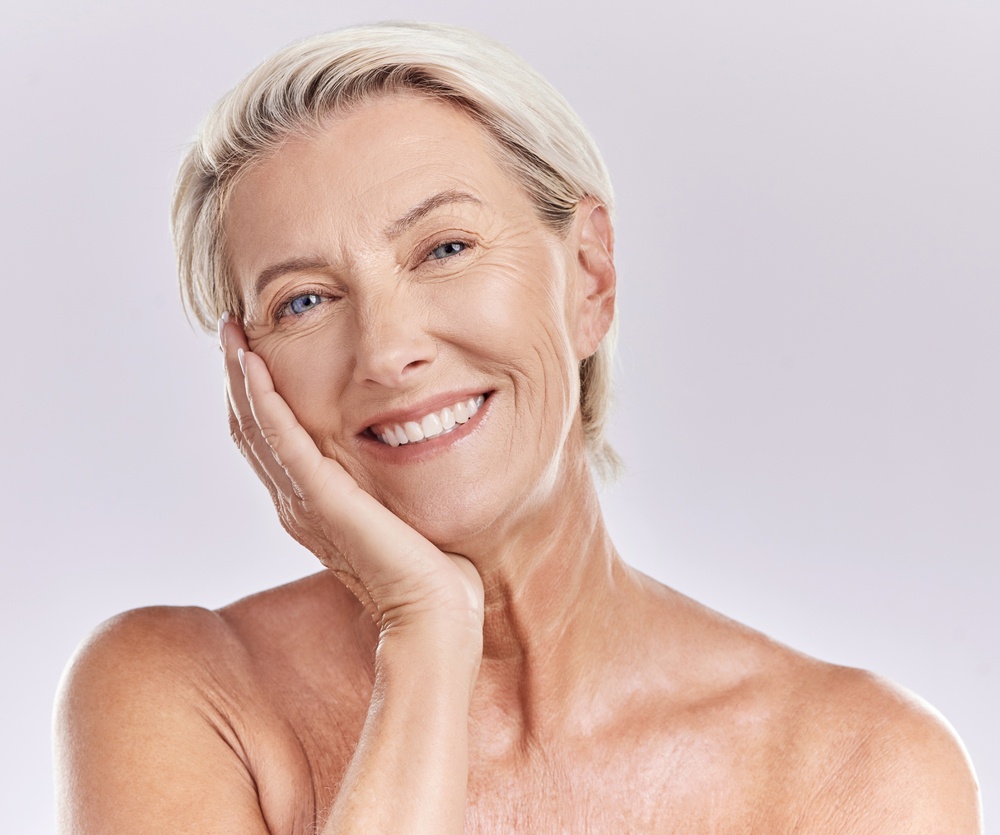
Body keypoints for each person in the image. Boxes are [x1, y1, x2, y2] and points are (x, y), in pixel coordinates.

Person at [54, 22, 982, 833]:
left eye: (445, 248)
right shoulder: (179, 692)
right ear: (248, 373)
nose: (387, 351)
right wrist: (425, 633)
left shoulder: (859, 766)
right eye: (304, 300)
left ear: (590, 277)